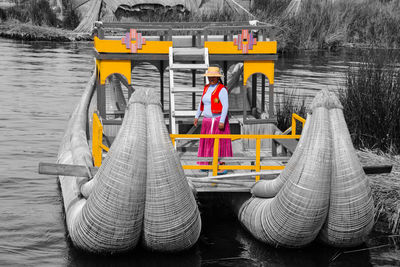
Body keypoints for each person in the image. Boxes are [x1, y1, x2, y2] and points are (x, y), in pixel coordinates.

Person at [194, 67, 232, 175]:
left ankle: (222, 166)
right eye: (209, 77)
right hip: (207, 121)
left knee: (219, 143)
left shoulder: (222, 89)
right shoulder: (206, 88)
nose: (211, 79)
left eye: (213, 77)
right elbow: (201, 104)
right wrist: (197, 116)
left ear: (217, 77)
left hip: (217, 120)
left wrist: (222, 121)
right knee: (207, 143)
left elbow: (225, 106)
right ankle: (208, 164)